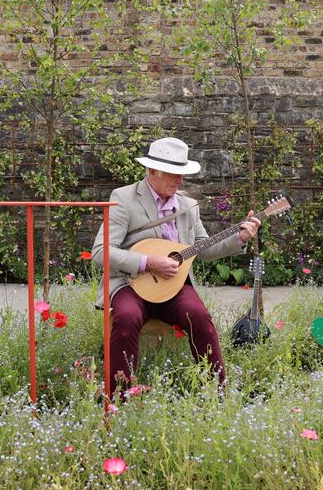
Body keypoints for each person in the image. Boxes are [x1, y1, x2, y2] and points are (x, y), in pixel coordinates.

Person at [91, 137, 261, 399]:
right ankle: (117, 398)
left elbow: (203, 249)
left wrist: (240, 237)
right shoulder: (123, 199)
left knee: (200, 317)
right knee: (126, 319)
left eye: (182, 174)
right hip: (130, 283)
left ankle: (218, 392)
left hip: (173, 286)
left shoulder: (188, 205)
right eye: (173, 174)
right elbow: (100, 252)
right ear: (151, 171)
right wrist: (149, 262)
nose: (180, 181)